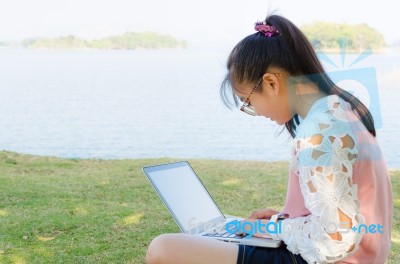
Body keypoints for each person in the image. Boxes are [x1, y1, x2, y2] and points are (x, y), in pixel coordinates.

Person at [145, 14, 393, 264]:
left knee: (164, 248)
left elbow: (337, 239)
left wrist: (270, 229)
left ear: (272, 82)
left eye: (249, 102)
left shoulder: (320, 131)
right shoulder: (341, 108)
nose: (256, 112)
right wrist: (282, 220)